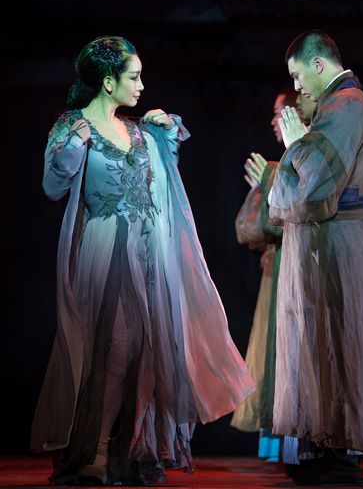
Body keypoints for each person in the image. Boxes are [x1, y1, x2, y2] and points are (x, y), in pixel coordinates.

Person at [30, 36, 254, 486]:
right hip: (105, 251)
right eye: (133, 77)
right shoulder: (74, 127)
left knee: (143, 354)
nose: (141, 85)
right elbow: (53, 187)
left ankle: (130, 449)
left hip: (147, 253)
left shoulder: (137, 130)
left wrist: (164, 138)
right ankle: (93, 449)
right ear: (107, 82)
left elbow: (163, 185)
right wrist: (73, 145)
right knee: (112, 349)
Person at [268, 30, 363, 485]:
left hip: (340, 240)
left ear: (319, 65)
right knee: (320, 343)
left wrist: (295, 145)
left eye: (297, 75)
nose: (297, 86)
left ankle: (340, 454)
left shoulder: (346, 106)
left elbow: (318, 183)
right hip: (328, 240)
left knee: (341, 342)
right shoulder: (334, 106)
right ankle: (322, 447)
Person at [231, 90, 315, 464]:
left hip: (299, 268)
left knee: (292, 350)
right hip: (277, 267)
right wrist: (260, 188)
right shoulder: (279, 167)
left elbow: (282, 218)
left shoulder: (296, 165)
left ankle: (298, 442)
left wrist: (267, 185)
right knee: (273, 351)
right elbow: (249, 228)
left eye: (279, 113)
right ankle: (279, 442)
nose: (273, 121)